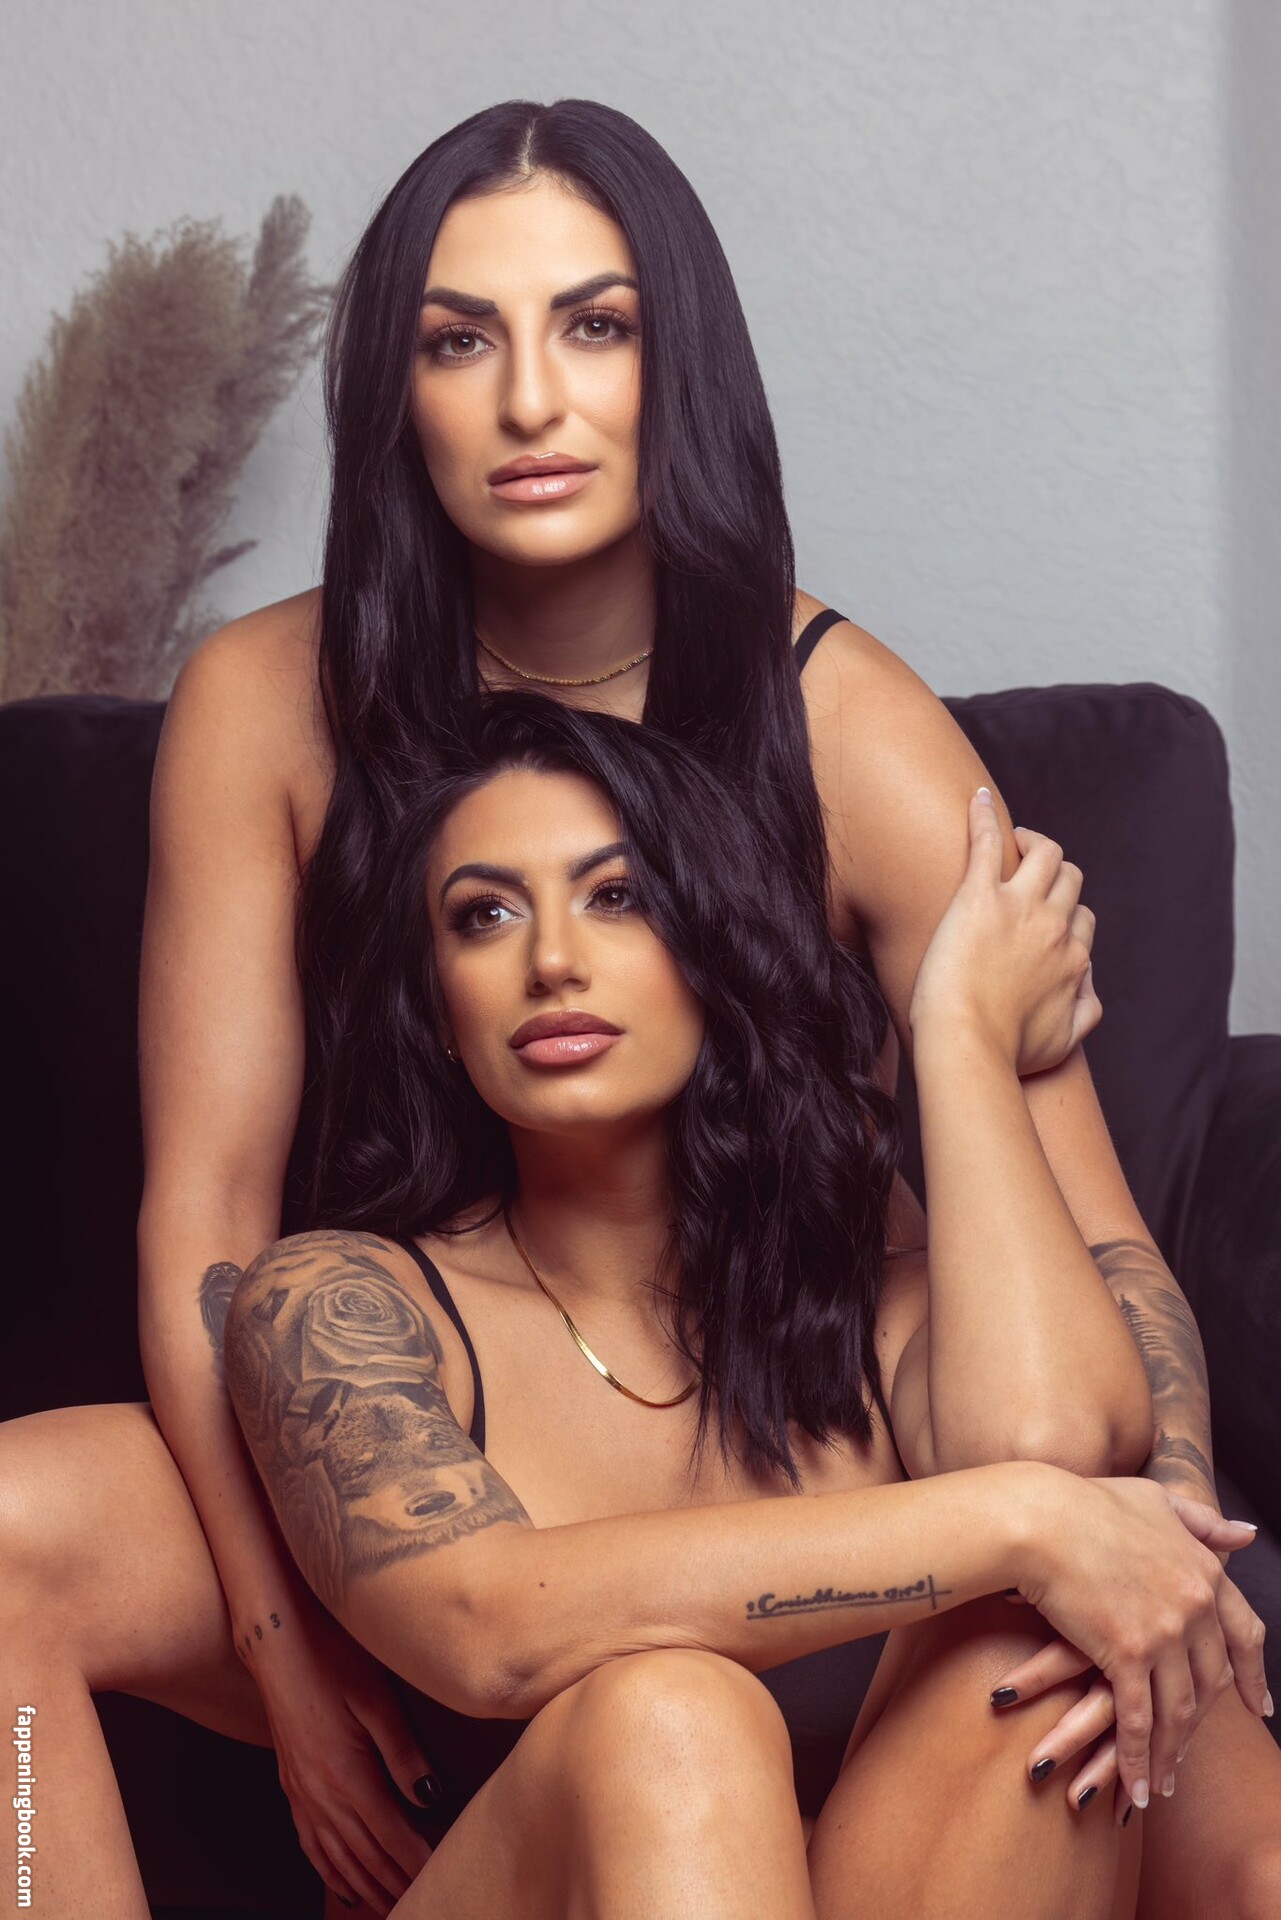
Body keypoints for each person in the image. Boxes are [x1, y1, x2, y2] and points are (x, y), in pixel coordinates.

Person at [0, 97, 1275, 1916]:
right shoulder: (267, 705)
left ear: (680, 366)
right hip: (404, 1443)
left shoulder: (850, 729)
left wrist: (1153, 1534)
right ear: (395, 392)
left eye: (594, 326)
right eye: (460, 340)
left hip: (773, 1411)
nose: (532, 401)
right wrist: (287, 1649)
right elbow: (207, 1212)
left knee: (1180, 1754)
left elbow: (1103, 1253)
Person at [223, 689, 1263, 1919]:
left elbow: (1055, 1444)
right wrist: (1025, 1523)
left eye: (618, 897)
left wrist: (957, 1038)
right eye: (484, 915)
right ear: (440, 1011)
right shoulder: (338, 1303)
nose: (551, 960)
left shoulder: (878, 1307)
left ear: (712, 956)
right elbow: (481, 1626)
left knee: (1045, 1631)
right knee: (672, 1712)